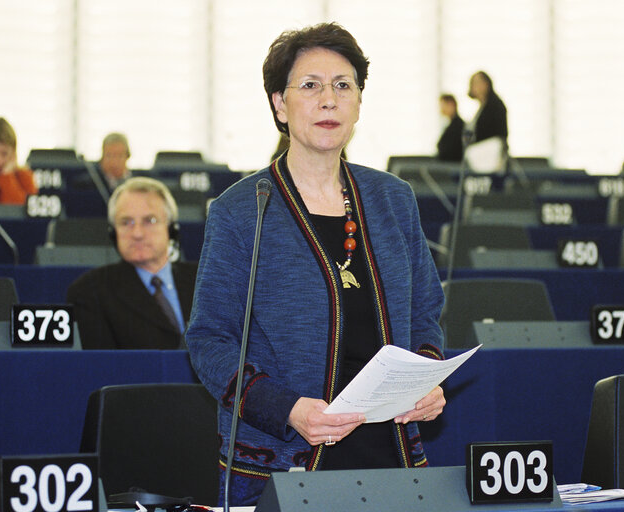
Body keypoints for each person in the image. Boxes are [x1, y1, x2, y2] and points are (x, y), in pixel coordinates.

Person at [186, 23, 446, 506]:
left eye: (343, 86)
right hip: (284, 456)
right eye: (310, 86)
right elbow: (209, 340)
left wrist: (427, 377)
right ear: (279, 105)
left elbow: (427, 310)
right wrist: (287, 409)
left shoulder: (394, 199)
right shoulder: (242, 210)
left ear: (358, 103)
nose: (329, 100)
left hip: (391, 453)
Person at [67, 177, 197, 349]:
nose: (137, 233)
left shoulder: (206, 282)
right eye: (126, 222)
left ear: (172, 230)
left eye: (149, 220)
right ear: (114, 234)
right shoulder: (89, 292)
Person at [466, 71, 508, 148]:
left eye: (478, 82)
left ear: (487, 84)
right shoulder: (483, 107)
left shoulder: (495, 106)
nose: (475, 86)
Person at [436, 93, 465, 162]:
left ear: (451, 104)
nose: (441, 109)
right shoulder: (451, 124)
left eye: (443, 105)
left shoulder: (458, 125)